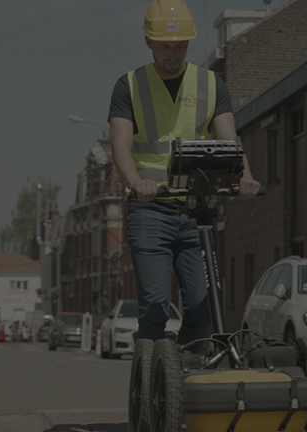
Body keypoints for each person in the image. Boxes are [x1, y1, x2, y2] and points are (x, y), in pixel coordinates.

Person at [108, 0, 261, 348]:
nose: (172, 54)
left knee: (203, 309)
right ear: (148, 41)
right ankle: (150, 371)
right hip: (151, 210)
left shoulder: (211, 84)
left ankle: (181, 371)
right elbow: (120, 147)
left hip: (198, 211)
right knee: (156, 307)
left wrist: (245, 177)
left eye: (180, 46)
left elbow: (230, 141)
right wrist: (136, 183)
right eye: (165, 46)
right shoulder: (129, 86)